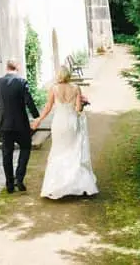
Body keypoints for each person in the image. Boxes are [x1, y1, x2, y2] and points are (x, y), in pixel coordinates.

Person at [32, 66, 99, 199]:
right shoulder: (76, 88)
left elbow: (48, 107)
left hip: (58, 123)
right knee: (73, 151)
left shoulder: (53, 88)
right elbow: (78, 109)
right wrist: (83, 103)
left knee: (58, 151)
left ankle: (55, 185)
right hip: (72, 122)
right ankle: (77, 184)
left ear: (59, 75)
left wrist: (39, 119)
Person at [0, 59, 41, 193]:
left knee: (7, 154)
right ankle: (19, 178)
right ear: (17, 67)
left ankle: (9, 185)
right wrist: (36, 117)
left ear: (7, 68)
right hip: (21, 125)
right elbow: (28, 100)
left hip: (4, 125)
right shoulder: (21, 82)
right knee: (25, 148)